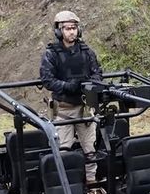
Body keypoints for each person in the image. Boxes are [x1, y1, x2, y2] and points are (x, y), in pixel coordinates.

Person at [40, 10, 103, 184]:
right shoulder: (51, 53)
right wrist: (67, 86)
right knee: (63, 150)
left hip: (84, 109)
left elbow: (97, 73)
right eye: (67, 28)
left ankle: (91, 182)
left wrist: (89, 85)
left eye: (74, 28)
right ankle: (68, 185)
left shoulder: (86, 51)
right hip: (63, 110)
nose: (72, 32)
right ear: (59, 31)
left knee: (90, 149)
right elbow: (47, 79)